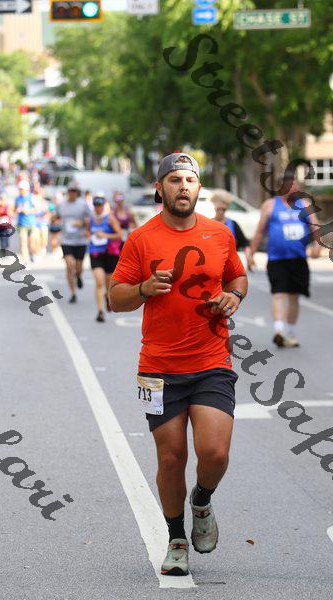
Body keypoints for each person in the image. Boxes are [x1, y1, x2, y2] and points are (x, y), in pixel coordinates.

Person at [109, 152, 247, 576]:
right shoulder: (142, 239)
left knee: (215, 452)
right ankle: (176, 539)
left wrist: (234, 296)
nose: (183, 186)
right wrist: (144, 288)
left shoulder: (220, 234)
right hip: (159, 368)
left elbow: (237, 276)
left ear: (199, 187)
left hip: (211, 361)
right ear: (159, 188)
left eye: (189, 179)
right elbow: (114, 298)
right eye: (174, 179)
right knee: (171, 459)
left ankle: (201, 500)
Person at [248, 175, 320, 348]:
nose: (294, 189)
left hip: (298, 259)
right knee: (278, 294)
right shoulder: (270, 205)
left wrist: (317, 246)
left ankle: (291, 333)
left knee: (294, 297)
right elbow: (259, 232)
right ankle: (279, 331)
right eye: (290, 186)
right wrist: (251, 254)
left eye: (296, 185)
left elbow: (314, 228)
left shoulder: (304, 205)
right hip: (276, 259)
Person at [88, 195, 122, 322]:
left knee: (108, 285)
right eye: (96, 206)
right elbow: (87, 231)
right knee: (99, 282)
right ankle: (100, 311)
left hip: (109, 254)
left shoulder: (110, 219)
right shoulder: (91, 219)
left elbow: (119, 235)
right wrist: (89, 237)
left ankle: (107, 297)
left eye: (100, 206)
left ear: (104, 206)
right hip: (95, 253)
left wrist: (105, 235)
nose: (98, 208)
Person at [56, 183, 91, 303]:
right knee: (69, 265)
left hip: (80, 240)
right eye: (71, 191)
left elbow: (90, 219)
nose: (72, 193)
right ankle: (73, 293)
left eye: (74, 191)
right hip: (66, 240)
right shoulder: (61, 205)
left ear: (77, 192)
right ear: (68, 192)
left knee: (79, 267)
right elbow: (56, 216)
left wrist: (82, 223)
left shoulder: (83, 204)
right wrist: (54, 220)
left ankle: (79, 276)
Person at [211, 190, 254, 270]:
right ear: (214, 206)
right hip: (213, 265)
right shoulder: (208, 224)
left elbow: (245, 243)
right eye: (218, 209)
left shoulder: (233, 224)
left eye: (223, 209)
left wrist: (249, 257)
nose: (221, 212)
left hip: (230, 266)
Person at [14, 180, 37, 263]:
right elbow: (14, 210)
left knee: (31, 243)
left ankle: (32, 254)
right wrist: (17, 211)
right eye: (20, 189)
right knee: (23, 242)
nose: (21, 190)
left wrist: (28, 211)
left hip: (31, 223)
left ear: (27, 189)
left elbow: (37, 209)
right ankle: (25, 260)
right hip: (21, 223)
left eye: (22, 189)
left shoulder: (31, 197)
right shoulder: (18, 199)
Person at [32, 181, 49, 256]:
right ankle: (37, 251)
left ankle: (43, 247)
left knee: (44, 235)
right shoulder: (31, 197)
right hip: (35, 219)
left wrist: (47, 215)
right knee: (36, 237)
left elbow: (47, 208)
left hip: (43, 219)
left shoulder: (42, 196)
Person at [0, 191, 14, 255]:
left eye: (4, 199)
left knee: (7, 238)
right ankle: (3, 250)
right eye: (1, 199)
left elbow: (11, 213)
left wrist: (8, 211)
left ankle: (6, 248)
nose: (2, 200)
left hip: (7, 225)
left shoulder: (8, 206)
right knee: (2, 238)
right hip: (0, 225)